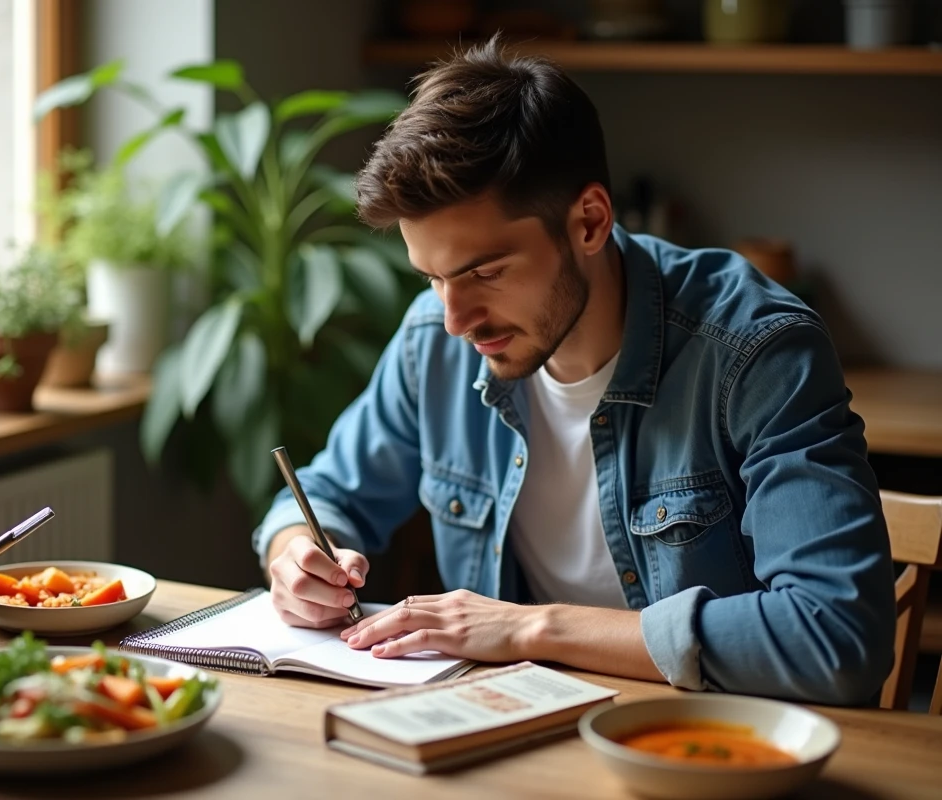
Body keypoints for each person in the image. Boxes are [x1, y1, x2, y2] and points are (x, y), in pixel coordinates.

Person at [252, 37, 896, 705]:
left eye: (484, 272)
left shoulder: (755, 350)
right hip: (507, 736)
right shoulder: (431, 341)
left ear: (588, 221)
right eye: (433, 277)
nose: (455, 319)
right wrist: (296, 551)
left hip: (703, 746)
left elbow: (835, 638)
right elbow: (325, 494)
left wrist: (532, 629)